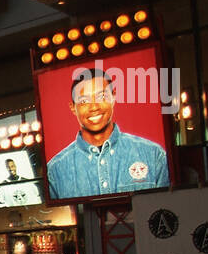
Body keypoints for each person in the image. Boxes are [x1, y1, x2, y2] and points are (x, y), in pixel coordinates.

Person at [46, 67, 168, 200]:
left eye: (101, 96)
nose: (94, 107)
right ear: (73, 108)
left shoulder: (153, 154)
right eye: (84, 101)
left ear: (113, 97)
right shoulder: (55, 171)